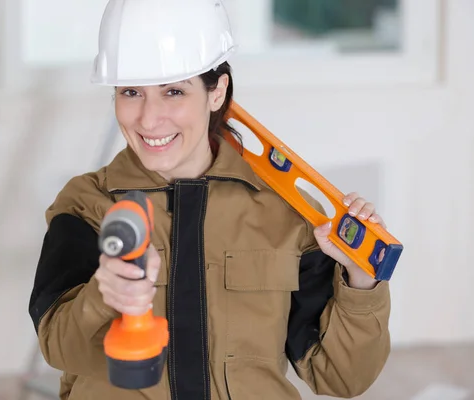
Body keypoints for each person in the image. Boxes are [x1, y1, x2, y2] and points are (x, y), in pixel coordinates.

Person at [28, 0, 391, 399]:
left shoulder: (287, 213)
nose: (149, 119)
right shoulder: (87, 204)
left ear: (216, 92)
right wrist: (103, 295)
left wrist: (361, 280)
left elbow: (340, 377)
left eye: (173, 91)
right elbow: (58, 348)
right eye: (131, 91)